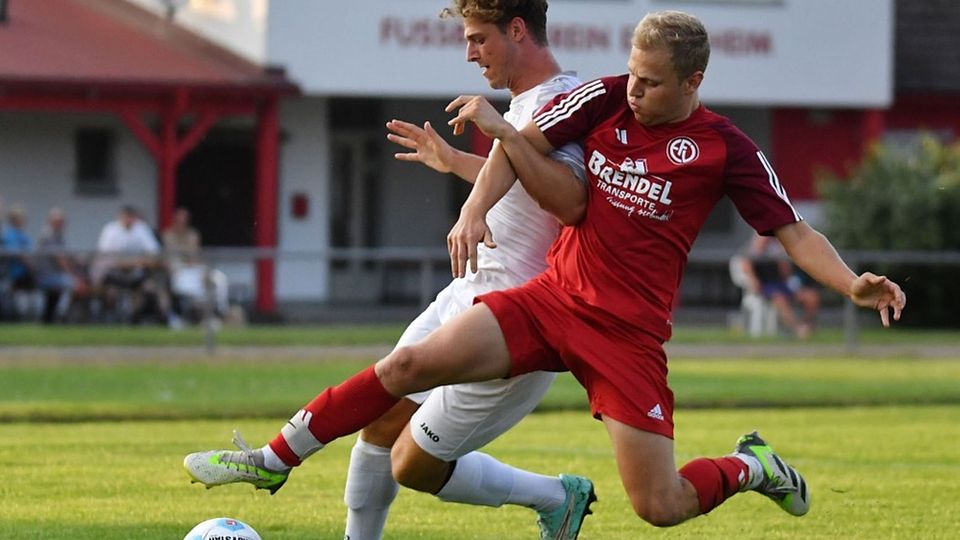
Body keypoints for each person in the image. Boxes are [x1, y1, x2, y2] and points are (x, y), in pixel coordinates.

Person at [185, 9, 906, 535]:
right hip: (551, 300)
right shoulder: (600, 96)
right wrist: (473, 208)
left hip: (625, 336)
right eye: (632, 74)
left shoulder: (726, 148)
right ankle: (276, 457)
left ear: (694, 80)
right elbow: (518, 146)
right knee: (406, 366)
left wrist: (850, 283)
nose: (633, 92)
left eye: (652, 85)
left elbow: (791, 229)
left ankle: (753, 467)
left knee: (659, 508)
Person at [190, 3, 596, 539]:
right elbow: (525, 184)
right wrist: (453, 161)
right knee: (380, 426)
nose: (469, 52)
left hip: (521, 319)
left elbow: (569, 200)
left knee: (413, 460)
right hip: (470, 292)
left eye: (478, 39)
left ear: (517, 30)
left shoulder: (565, 103)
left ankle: (552, 495)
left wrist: (476, 202)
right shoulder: (527, 103)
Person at [91, 205, 175, 326]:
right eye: (126, 217)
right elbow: (104, 255)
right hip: (114, 272)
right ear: (120, 217)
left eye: (131, 218)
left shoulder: (141, 229)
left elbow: (154, 253)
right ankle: (107, 319)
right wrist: (128, 262)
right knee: (108, 291)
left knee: (150, 288)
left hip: (136, 272)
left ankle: (139, 319)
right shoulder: (110, 230)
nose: (129, 221)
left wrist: (136, 262)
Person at [738, 234, 821, 338]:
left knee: (811, 297)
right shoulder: (750, 254)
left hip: (782, 284)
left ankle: (806, 325)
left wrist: (782, 257)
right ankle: (797, 329)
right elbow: (747, 269)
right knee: (779, 299)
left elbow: (787, 274)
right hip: (766, 286)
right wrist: (754, 282)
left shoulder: (777, 249)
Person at [35, 207, 90, 323]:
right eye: (58, 222)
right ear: (51, 221)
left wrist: (78, 261)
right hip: (46, 276)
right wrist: (74, 277)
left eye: (62, 222)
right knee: (77, 286)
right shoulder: (48, 234)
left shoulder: (59, 235)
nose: (61, 224)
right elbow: (60, 260)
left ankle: (57, 317)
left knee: (81, 282)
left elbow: (67, 256)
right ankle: (64, 317)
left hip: (56, 275)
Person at [1, 205, 36, 319]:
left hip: (25, 272)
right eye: (20, 218)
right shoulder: (8, 233)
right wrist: (30, 265)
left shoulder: (22, 233)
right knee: (15, 297)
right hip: (14, 272)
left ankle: (26, 316)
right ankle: (18, 317)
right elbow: (16, 253)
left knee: (28, 294)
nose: (22, 220)